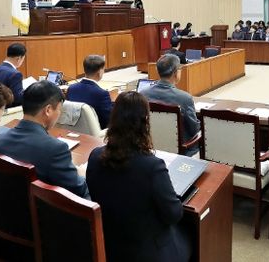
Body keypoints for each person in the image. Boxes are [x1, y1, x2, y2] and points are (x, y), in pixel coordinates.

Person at [86, 91, 191, 262]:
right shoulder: (153, 166)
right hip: (147, 252)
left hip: (110, 245)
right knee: (191, 229)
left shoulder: (95, 156)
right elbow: (174, 214)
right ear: (145, 122)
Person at [0, 81, 89, 199]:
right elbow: (78, 190)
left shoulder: (1, 138)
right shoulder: (55, 149)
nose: (59, 114)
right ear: (48, 110)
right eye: (59, 110)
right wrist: (82, 175)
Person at [140, 54, 200, 155]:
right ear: (175, 73)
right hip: (182, 151)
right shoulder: (185, 98)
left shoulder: (142, 94)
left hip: (151, 147)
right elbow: (194, 129)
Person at [66, 55, 112, 129]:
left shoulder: (71, 88)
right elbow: (109, 121)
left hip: (74, 130)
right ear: (100, 71)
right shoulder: (102, 94)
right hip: (97, 133)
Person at [0, 42, 26, 107]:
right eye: (23, 59)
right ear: (19, 59)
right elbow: (17, 99)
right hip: (6, 110)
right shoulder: (16, 74)